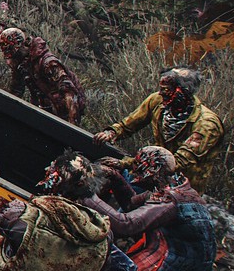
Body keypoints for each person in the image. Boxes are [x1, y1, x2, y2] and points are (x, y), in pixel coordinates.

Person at [83, 146, 217, 271]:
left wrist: (84, 192)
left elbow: (125, 225)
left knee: (100, 242)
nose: (134, 175)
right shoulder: (177, 188)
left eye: (138, 170)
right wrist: (115, 178)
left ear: (152, 171)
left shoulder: (171, 199)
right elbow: (132, 205)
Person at [93, 67, 224, 189]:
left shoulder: (207, 125)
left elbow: (176, 163)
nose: (160, 93)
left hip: (181, 189)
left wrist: (125, 163)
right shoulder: (157, 101)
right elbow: (129, 124)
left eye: (166, 90)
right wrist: (112, 132)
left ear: (183, 92)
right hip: (151, 176)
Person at [0, 27, 87, 123]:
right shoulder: (23, 64)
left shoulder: (48, 63)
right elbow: (16, 90)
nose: (12, 60)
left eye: (14, 55)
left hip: (64, 112)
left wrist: (72, 122)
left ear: (21, 47)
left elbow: (69, 92)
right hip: (44, 112)